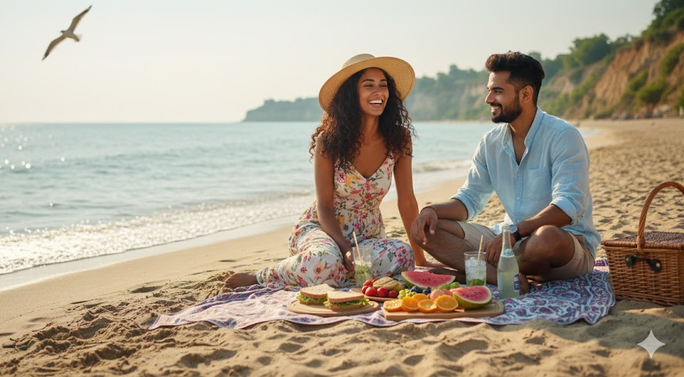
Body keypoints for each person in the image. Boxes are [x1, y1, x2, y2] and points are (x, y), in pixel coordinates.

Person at [225, 53, 431, 289]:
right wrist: (345, 250)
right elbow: (324, 205)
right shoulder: (330, 141)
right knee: (325, 260)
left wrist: (420, 258)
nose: (379, 92)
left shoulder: (399, 138)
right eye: (368, 85)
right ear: (351, 94)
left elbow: (406, 200)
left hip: (367, 237)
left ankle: (333, 273)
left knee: (402, 254)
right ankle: (263, 276)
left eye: (383, 86)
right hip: (323, 230)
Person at [409, 51, 601, 291]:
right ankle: (500, 276)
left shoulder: (564, 136)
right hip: (509, 241)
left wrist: (515, 233)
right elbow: (470, 200)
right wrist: (431, 210)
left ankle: (469, 271)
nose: (488, 99)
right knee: (425, 228)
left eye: (497, 91)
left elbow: (568, 206)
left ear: (526, 94)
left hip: (565, 245)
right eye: (489, 90)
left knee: (546, 239)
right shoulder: (490, 143)